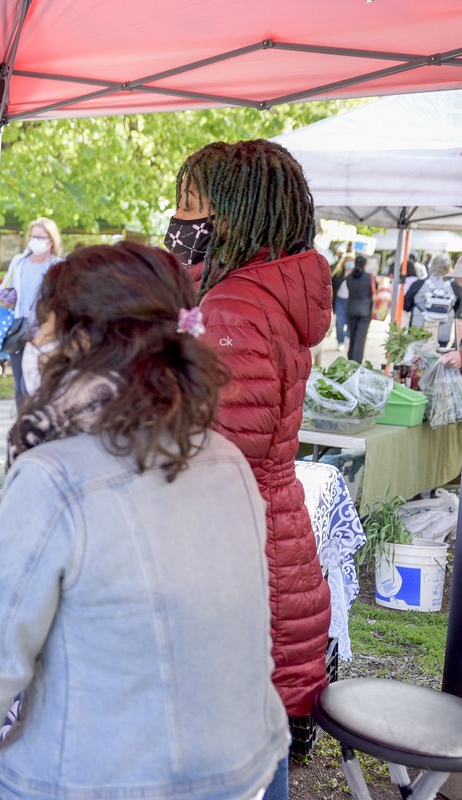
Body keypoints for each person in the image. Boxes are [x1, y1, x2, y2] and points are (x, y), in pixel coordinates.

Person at [0, 241, 288, 800]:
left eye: (55, 327)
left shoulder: (54, 476)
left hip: (100, 779)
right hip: (246, 765)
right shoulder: (226, 458)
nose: (41, 343)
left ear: (84, 341)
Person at [171, 139, 332, 800]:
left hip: (234, 552)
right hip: (266, 536)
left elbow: (215, 459)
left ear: (235, 216)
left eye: (190, 205)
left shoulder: (235, 307)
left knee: (229, 746)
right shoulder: (265, 291)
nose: (177, 219)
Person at [0, 217, 63, 402]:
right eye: (34, 236)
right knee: (19, 385)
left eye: (41, 237)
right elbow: (7, 287)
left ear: (51, 241)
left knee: (34, 385)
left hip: (44, 332)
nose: (36, 241)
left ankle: (36, 423)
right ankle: (22, 425)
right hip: (19, 327)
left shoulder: (57, 266)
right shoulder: (19, 262)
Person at [404, 253, 462, 347]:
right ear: (449, 267)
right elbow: (459, 308)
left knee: (415, 358)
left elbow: (406, 305)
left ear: (432, 265)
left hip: (418, 331)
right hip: (443, 335)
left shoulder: (419, 284)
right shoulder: (455, 287)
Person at [344, 254, 375, 363]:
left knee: (352, 336)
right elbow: (373, 292)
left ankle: (350, 358)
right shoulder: (369, 277)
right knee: (360, 338)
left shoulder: (348, 277)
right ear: (365, 264)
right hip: (365, 310)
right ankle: (356, 362)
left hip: (351, 309)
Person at [330, 252, 351, 350]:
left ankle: (347, 337)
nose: (350, 263)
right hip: (339, 301)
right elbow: (332, 286)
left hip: (350, 301)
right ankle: (340, 341)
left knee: (349, 322)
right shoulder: (338, 274)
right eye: (348, 261)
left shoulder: (355, 274)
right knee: (339, 322)